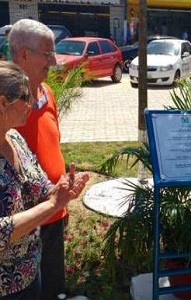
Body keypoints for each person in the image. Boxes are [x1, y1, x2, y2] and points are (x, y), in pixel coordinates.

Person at [0, 61, 89, 299]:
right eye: (24, 97)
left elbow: (39, 186)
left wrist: (60, 191)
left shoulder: (14, 137)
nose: (30, 104)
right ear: (2, 102)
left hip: (30, 273)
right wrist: (51, 205)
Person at [9, 19, 72, 300]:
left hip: (54, 212)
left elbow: (52, 142)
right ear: (23, 54)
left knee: (54, 289)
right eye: (47, 53)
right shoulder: (7, 102)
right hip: (24, 224)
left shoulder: (47, 93)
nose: (54, 61)